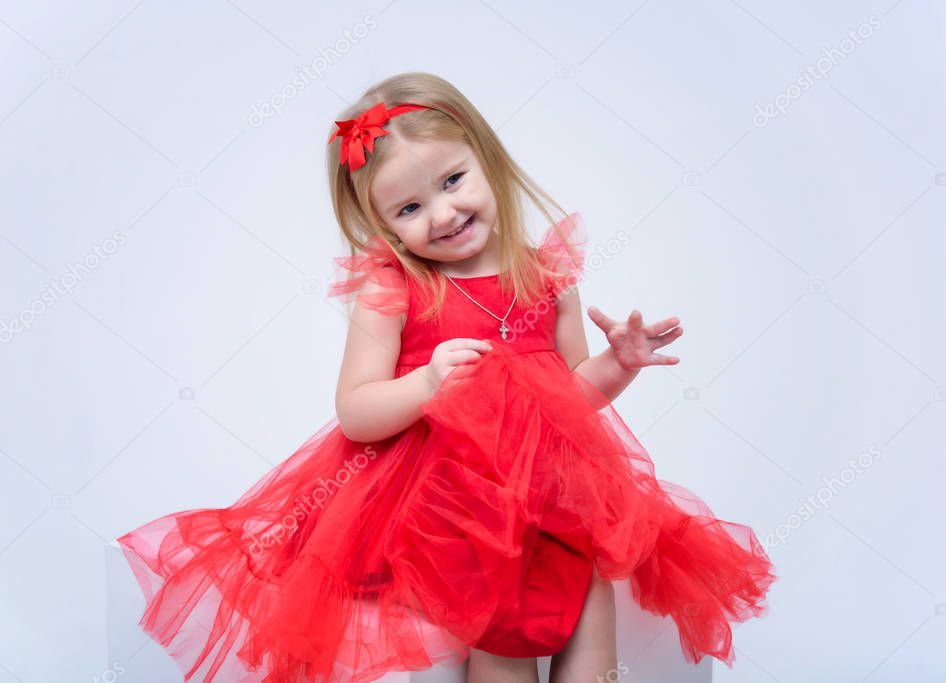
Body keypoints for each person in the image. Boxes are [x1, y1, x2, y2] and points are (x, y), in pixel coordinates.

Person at [117, 71, 776, 683]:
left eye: (453, 180)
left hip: (552, 490)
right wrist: (426, 383)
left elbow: (570, 398)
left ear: (485, 158)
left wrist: (617, 364)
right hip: (445, 504)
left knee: (586, 595)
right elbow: (356, 409)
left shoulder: (543, 275)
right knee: (494, 614)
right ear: (379, 224)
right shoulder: (396, 287)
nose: (440, 214)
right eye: (407, 209)